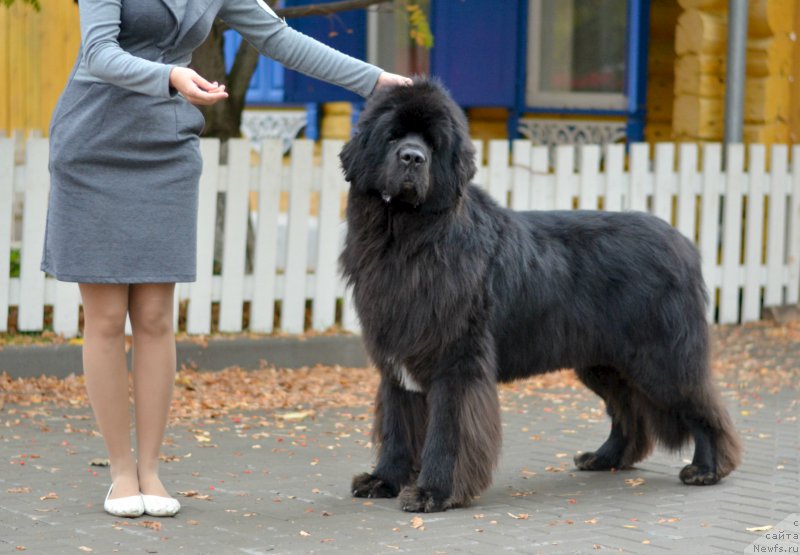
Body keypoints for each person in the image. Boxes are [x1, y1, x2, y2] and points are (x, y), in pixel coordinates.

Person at [42, 0, 411, 518]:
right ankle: (121, 471)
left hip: (165, 147)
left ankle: (150, 469)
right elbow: (99, 52)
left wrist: (375, 81)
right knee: (105, 318)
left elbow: (279, 38)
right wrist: (171, 75)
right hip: (95, 142)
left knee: (155, 316)